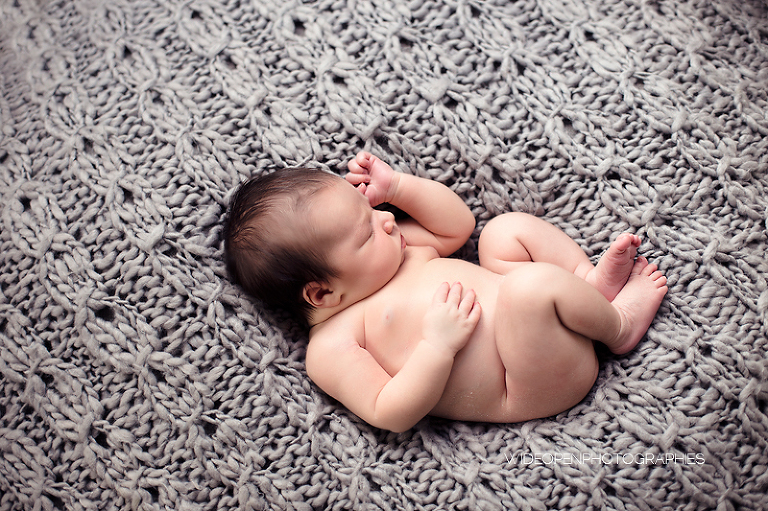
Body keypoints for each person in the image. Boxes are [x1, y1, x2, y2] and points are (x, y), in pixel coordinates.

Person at [223, 152, 668, 433]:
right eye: (365, 233)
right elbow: (389, 412)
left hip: (537, 314)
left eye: (370, 209)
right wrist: (437, 347)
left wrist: (396, 187)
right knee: (528, 289)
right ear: (322, 294)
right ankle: (619, 327)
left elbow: (458, 226)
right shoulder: (333, 346)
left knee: (503, 232)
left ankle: (587, 288)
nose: (387, 220)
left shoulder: (401, 253)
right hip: (531, 380)